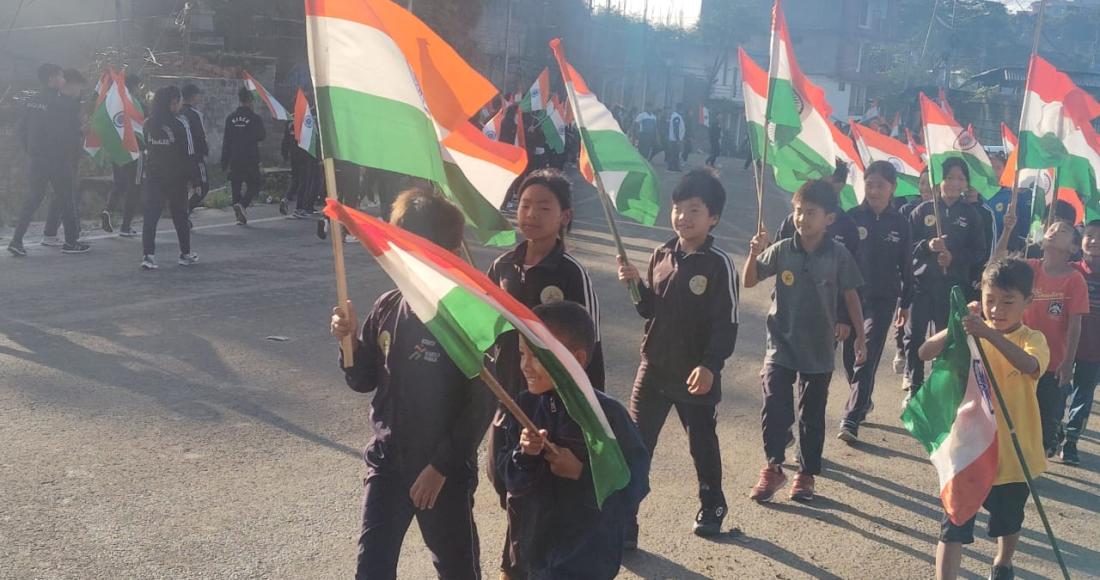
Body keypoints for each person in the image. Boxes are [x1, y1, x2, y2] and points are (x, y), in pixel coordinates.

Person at [329, 189, 495, 580]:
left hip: (442, 472)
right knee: (371, 568)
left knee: (457, 569)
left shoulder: (465, 317)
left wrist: (440, 467)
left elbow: (482, 401)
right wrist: (348, 342)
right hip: (387, 462)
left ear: (448, 251)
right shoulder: (388, 305)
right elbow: (363, 379)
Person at [617, 167, 739, 540]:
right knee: (636, 445)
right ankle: (626, 519)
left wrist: (709, 366)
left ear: (713, 217)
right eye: (677, 209)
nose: (682, 218)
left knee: (701, 443)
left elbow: (727, 322)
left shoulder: (719, 264)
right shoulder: (661, 255)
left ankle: (713, 503)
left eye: (694, 210)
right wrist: (635, 285)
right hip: (653, 368)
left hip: (694, 373)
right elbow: (649, 310)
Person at [495, 301, 650, 580]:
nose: (525, 366)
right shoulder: (524, 406)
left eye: (537, 356)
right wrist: (524, 455)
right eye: (521, 354)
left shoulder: (607, 417)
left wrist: (581, 473)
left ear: (576, 359)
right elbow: (507, 479)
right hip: (532, 555)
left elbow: (633, 487)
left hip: (585, 562)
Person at [923, 257, 1049, 580]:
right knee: (953, 525)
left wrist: (988, 334)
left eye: (1008, 302)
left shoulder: (1032, 338)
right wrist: (957, 323)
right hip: (967, 452)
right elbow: (925, 351)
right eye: (990, 300)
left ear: (1027, 302)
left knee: (1008, 521)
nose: (997, 310)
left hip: (1012, 456)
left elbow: (1029, 365)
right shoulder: (971, 329)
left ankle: (1003, 562)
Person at [744, 179, 866, 503]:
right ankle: (773, 467)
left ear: (829, 218)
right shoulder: (784, 248)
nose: (802, 218)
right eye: (798, 211)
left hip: (819, 348)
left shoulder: (838, 254)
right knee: (774, 405)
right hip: (780, 342)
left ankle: (806, 474)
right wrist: (753, 253)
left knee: (811, 414)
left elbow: (852, 295)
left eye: (810, 212)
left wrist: (860, 338)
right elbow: (750, 279)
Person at [993, 214, 1089, 458]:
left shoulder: (1074, 280)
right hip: (1020, 355)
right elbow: (995, 266)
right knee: (1015, 413)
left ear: (1073, 248)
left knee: (1044, 416)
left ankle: (1047, 441)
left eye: (1064, 230)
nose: (1055, 230)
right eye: (1052, 227)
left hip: (1052, 363)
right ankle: (1018, 460)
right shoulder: (1030, 268)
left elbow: (1076, 324)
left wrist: (1069, 363)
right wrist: (1007, 230)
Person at [837, 161, 914, 443]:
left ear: (892, 188)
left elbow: (906, 264)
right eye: (869, 184)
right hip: (850, 297)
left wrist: (906, 302)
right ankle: (863, 398)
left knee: (865, 355)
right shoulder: (851, 218)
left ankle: (851, 417)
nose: (874, 190)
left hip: (883, 300)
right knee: (849, 356)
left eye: (880, 185)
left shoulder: (900, 223)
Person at [904, 158, 986, 400]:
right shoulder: (922, 210)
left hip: (952, 287)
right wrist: (928, 246)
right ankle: (914, 385)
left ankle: (938, 388)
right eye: (949, 177)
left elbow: (979, 251)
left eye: (960, 178)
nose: (953, 183)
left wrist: (954, 258)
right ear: (938, 180)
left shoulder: (972, 215)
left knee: (945, 338)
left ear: (966, 184)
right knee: (915, 336)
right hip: (922, 286)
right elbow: (907, 247)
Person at [8, 63, 89, 256]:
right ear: (52, 78)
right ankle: (71, 242)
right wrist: (78, 141)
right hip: (59, 160)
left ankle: (16, 240)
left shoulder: (32, 101)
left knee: (33, 199)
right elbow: (69, 133)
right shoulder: (64, 103)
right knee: (67, 198)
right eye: (61, 76)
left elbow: (22, 129)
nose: (63, 80)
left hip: (37, 158)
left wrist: (31, 150)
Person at [141, 86, 199, 270]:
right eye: (179, 101)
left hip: (154, 176)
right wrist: (195, 180)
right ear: (173, 102)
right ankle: (185, 254)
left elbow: (147, 149)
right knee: (180, 215)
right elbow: (190, 154)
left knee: (151, 216)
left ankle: (148, 256)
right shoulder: (181, 124)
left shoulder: (148, 123)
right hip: (176, 178)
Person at [1062, 220, 1100, 465]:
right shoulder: (1069, 270)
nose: (1094, 241)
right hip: (1063, 344)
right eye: (1089, 235)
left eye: (1099, 237)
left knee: (1083, 395)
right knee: (1057, 390)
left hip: (1093, 349)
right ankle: (1053, 431)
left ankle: (1072, 440)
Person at [893, 169, 935, 375]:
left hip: (934, 282)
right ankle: (905, 361)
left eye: (930, 182)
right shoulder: (908, 210)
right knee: (908, 326)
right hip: (909, 276)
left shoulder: (944, 212)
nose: (925, 187)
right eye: (922, 183)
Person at [41, 68, 88, 247]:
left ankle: (51, 233)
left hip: (64, 154)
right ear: (69, 84)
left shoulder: (65, 102)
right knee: (66, 194)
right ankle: (71, 238)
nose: (80, 91)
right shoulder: (65, 104)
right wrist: (82, 129)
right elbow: (65, 131)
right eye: (79, 87)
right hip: (63, 155)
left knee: (61, 194)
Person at [101, 73, 144, 238]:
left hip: (117, 151)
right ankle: (125, 226)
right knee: (134, 187)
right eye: (139, 87)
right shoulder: (135, 104)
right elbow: (142, 127)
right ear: (134, 86)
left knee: (119, 184)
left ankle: (107, 210)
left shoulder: (114, 105)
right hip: (134, 151)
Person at [221, 86, 266, 225]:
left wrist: (224, 161)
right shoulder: (254, 118)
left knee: (236, 184)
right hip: (250, 157)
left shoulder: (230, 118)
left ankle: (238, 211)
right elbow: (261, 136)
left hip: (234, 156)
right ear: (250, 100)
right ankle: (243, 204)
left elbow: (226, 140)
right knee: (255, 183)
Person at [965, 185, 998, 302]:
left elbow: (991, 245)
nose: (970, 188)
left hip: (977, 275)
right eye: (968, 183)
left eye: (975, 184)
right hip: (957, 271)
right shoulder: (956, 207)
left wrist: (984, 272)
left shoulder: (986, 212)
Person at [180, 84, 210, 213]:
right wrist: (204, 151)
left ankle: (182, 212)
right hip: (195, 157)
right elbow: (200, 136)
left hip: (178, 157)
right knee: (202, 187)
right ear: (193, 96)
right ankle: (185, 211)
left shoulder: (177, 112)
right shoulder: (195, 114)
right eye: (198, 95)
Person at [666, 105, 685, 172]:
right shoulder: (676, 117)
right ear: (679, 109)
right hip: (675, 139)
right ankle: (671, 168)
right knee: (674, 154)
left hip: (674, 139)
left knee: (676, 154)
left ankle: (675, 167)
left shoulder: (675, 116)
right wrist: (677, 139)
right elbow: (676, 128)